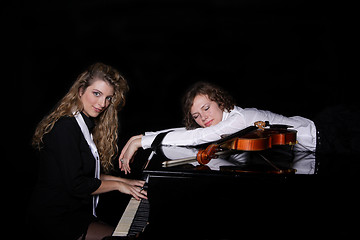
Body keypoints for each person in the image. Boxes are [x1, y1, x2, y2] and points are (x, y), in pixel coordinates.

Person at [119, 81, 359, 174]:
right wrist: (141, 137)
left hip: (333, 133)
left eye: (206, 108)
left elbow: (200, 136)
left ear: (219, 101)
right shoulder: (228, 121)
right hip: (322, 132)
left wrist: (141, 141)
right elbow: (193, 134)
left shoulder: (237, 121)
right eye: (196, 115)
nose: (203, 117)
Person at [27, 63, 147, 240]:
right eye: (96, 94)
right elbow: (77, 184)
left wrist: (126, 182)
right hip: (54, 217)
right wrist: (119, 186)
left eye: (108, 98)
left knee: (133, 233)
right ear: (81, 90)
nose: (102, 103)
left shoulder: (83, 126)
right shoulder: (65, 127)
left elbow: (89, 175)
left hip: (74, 213)